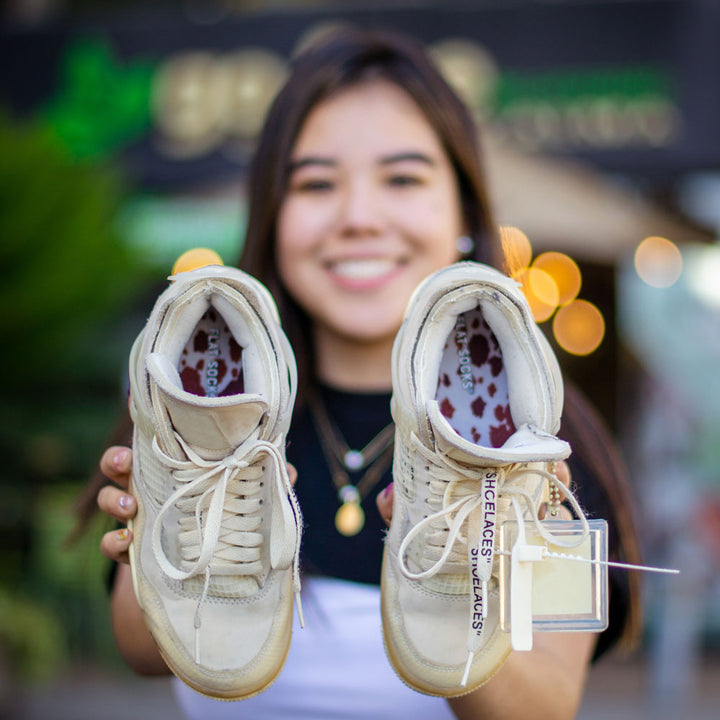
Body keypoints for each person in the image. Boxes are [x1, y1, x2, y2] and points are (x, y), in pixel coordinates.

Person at [84, 27, 641, 720]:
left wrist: (477, 574)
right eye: (316, 183)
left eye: (403, 178)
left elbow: (547, 708)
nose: (357, 218)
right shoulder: (193, 406)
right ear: (273, 214)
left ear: (462, 212)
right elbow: (142, 654)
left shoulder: (548, 443)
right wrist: (164, 545)